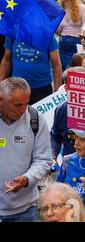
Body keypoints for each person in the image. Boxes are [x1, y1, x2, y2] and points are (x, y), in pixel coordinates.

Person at [0, 77, 52, 222]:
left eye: (26, 104)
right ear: (1, 100)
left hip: (26, 209)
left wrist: (27, 178)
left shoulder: (35, 119)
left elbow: (43, 159)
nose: (23, 110)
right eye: (17, 105)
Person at [0, 36, 62, 105]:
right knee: (16, 115)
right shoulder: (13, 33)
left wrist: (57, 91)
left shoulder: (47, 34)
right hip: (17, 88)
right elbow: (6, 60)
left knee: (39, 115)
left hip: (41, 89)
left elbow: (56, 65)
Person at [56, 0, 85, 71]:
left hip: (77, 43)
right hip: (63, 43)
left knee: (77, 71)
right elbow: (58, 29)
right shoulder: (60, 9)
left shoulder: (81, 7)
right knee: (64, 72)